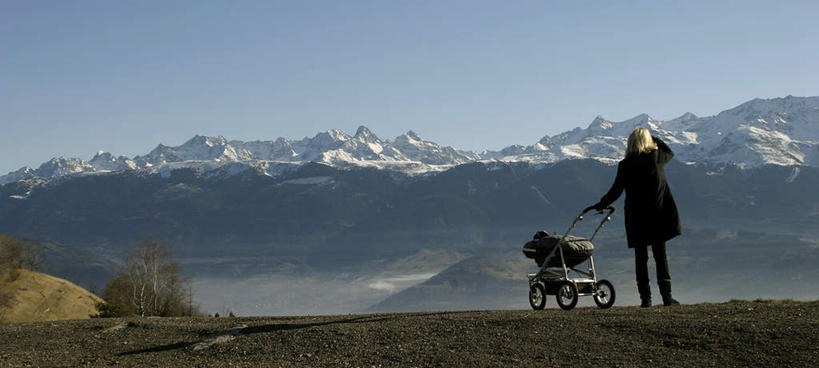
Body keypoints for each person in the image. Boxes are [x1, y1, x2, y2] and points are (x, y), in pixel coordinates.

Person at [587, 127, 681, 307]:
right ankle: (667, 297)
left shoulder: (625, 165)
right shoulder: (656, 157)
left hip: (636, 216)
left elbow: (615, 191)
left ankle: (645, 299)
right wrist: (654, 137)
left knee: (641, 258)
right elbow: (669, 151)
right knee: (660, 256)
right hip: (657, 215)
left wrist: (600, 204)